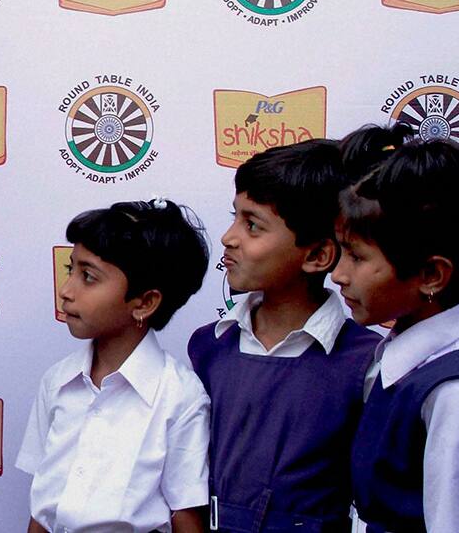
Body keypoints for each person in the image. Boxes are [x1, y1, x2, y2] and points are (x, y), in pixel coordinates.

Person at [188, 139, 384, 532]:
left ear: (317, 257)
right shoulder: (210, 346)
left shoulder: (366, 361)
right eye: (235, 216)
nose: (229, 237)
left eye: (253, 225)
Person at [17, 199, 212, 533]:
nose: (66, 291)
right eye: (70, 270)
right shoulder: (58, 382)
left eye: (89, 277)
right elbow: (42, 510)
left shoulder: (179, 396)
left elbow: (187, 517)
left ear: (145, 303)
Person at [333, 137, 459, 532]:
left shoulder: (449, 394)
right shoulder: (392, 360)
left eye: (356, 257)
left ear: (431, 276)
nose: (338, 275)